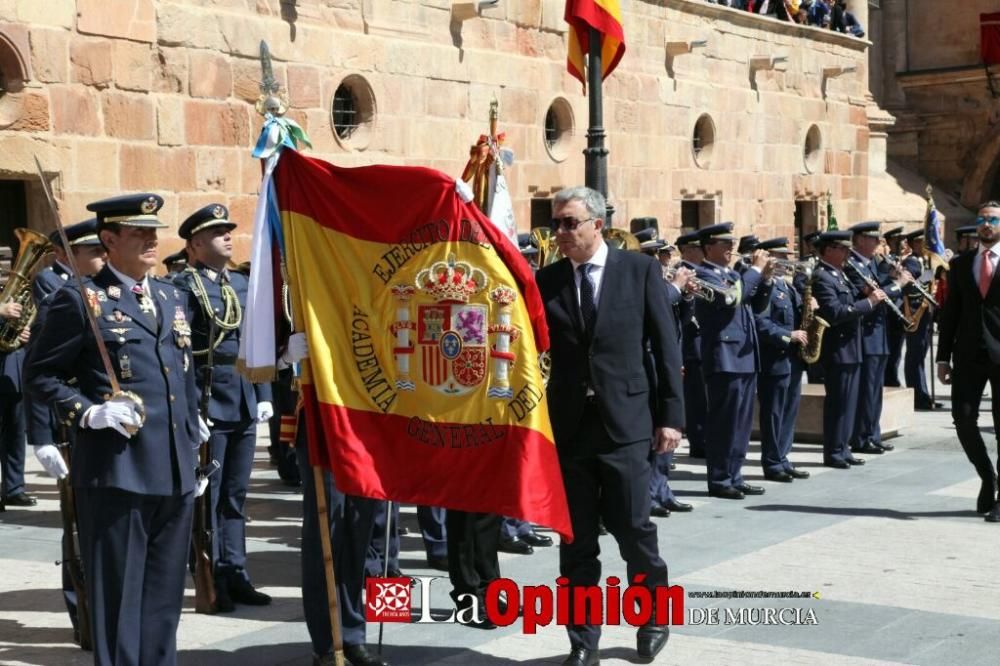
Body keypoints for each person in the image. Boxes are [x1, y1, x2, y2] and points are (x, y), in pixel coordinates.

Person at [24, 192, 207, 665]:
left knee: (164, 599)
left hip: (173, 469)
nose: (151, 239)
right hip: (118, 469)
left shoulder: (170, 294)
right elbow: (40, 377)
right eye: (138, 233)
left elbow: (181, 374)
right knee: (119, 600)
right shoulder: (80, 299)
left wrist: (193, 431)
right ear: (108, 239)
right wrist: (86, 412)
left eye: (153, 231)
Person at [535, 186, 682, 665]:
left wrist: (671, 418)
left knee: (634, 531)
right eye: (555, 223)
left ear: (597, 224)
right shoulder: (548, 279)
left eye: (569, 223)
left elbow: (665, 347)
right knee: (575, 542)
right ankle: (583, 642)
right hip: (572, 429)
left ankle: (653, 617)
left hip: (628, 425)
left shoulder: (638, 271)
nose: (559, 233)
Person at [174, 204, 274, 611]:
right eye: (217, 233)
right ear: (196, 245)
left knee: (235, 496)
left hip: (244, 404)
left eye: (229, 230)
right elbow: (179, 353)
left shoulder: (241, 282)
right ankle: (212, 578)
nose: (228, 237)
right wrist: (187, 408)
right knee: (208, 500)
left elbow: (256, 342)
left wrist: (264, 394)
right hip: (209, 404)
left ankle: (236, 572)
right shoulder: (184, 287)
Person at [25, 218, 106, 645]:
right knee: (76, 527)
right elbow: (37, 373)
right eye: (92, 250)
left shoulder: (110, 296)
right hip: (68, 426)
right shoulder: (61, 299)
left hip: (104, 426)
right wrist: (40, 437)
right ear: (68, 255)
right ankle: (83, 615)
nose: (100, 255)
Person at [695, 222, 771, 499]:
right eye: (724, 244)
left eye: (731, 244)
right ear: (708, 247)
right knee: (723, 422)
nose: (731, 249)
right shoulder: (701, 273)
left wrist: (766, 280)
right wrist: (753, 271)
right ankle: (720, 478)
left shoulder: (732, 273)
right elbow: (730, 299)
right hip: (724, 357)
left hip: (744, 355)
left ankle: (735, 474)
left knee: (742, 423)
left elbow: (756, 305)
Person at [937, 201, 1000, 522]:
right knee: (963, 420)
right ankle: (988, 477)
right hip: (968, 355)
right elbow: (951, 314)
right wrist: (942, 357)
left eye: (993, 220)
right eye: (982, 219)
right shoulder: (961, 265)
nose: (986, 224)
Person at [811, 230, 886, 468]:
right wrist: (869, 302)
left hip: (851, 347)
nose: (846, 253)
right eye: (842, 249)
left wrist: (865, 293)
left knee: (850, 402)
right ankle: (833, 451)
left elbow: (851, 303)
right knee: (839, 403)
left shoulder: (840, 275)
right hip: (838, 348)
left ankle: (843, 448)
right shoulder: (823, 277)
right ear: (829, 250)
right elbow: (835, 312)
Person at [845, 222, 911, 455]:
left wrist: (891, 276)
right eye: (874, 239)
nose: (878, 243)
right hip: (866, 335)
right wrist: (897, 284)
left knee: (875, 389)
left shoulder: (869, 264)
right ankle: (862, 437)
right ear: (861, 239)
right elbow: (875, 296)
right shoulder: (852, 265)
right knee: (867, 389)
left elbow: (879, 290)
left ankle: (872, 433)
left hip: (878, 335)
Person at [753, 238, 811, 482]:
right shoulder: (764, 286)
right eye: (782, 256)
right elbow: (761, 323)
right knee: (774, 413)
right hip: (774, 358)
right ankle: (772, 462)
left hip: (793, 360)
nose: (788, 261)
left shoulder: (788, 287)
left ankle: (783, 457)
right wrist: (788, 335)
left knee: (789, 412)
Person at [676, 232, 708, 458]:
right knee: (696, 399)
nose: (701, 253)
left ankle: (705, 438)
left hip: (706, 344)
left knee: (706, 398)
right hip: (690, 344)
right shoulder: (679, 272)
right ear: (686, 250)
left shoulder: (704, 273)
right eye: (697, 249)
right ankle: (698, 442)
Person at [901, 230, 939, 410]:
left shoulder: (925, 261)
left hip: (925, 312)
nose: (924, 246)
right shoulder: (910, 261)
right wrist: (931, 274)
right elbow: (912, 285)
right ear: (913, 244)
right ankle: (917, 395)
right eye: (920, 243)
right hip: (915, 312)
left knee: (921, 354)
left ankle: (923, 394)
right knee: (915, 355)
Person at [880, 227, 906, 387]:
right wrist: (893, 277)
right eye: (898, 241)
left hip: (900, 310)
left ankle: (893, 376)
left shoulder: (899, 260)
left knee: (897, 350)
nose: (902, 244)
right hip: (890, 312)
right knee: (891, 349)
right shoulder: (886, 263)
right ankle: (889, 378)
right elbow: (883, 285)